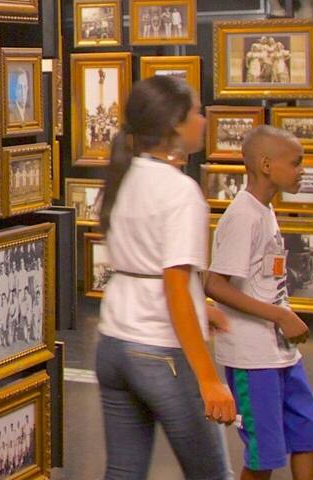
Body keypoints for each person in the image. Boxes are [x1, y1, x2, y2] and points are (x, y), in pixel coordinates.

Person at [92, 74, 233, 480]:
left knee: (123, 472)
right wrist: (208, 379)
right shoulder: (180, 191)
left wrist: (199, 304)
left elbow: (143, 265)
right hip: (160, 352)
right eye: (197, 113)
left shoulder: (122, 176)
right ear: (175, 124)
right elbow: (172, 286)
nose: (203, 121)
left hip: (114, 344)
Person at [204, 126, 313, 480]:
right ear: (265, 165)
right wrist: (280, 315)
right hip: (252, 357)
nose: (302, 170)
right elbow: (215, 283)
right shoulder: (243, 216)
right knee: (264, 454)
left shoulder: (265, 212)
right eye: (296, 163)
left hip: (281, 352)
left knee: (308, 435)